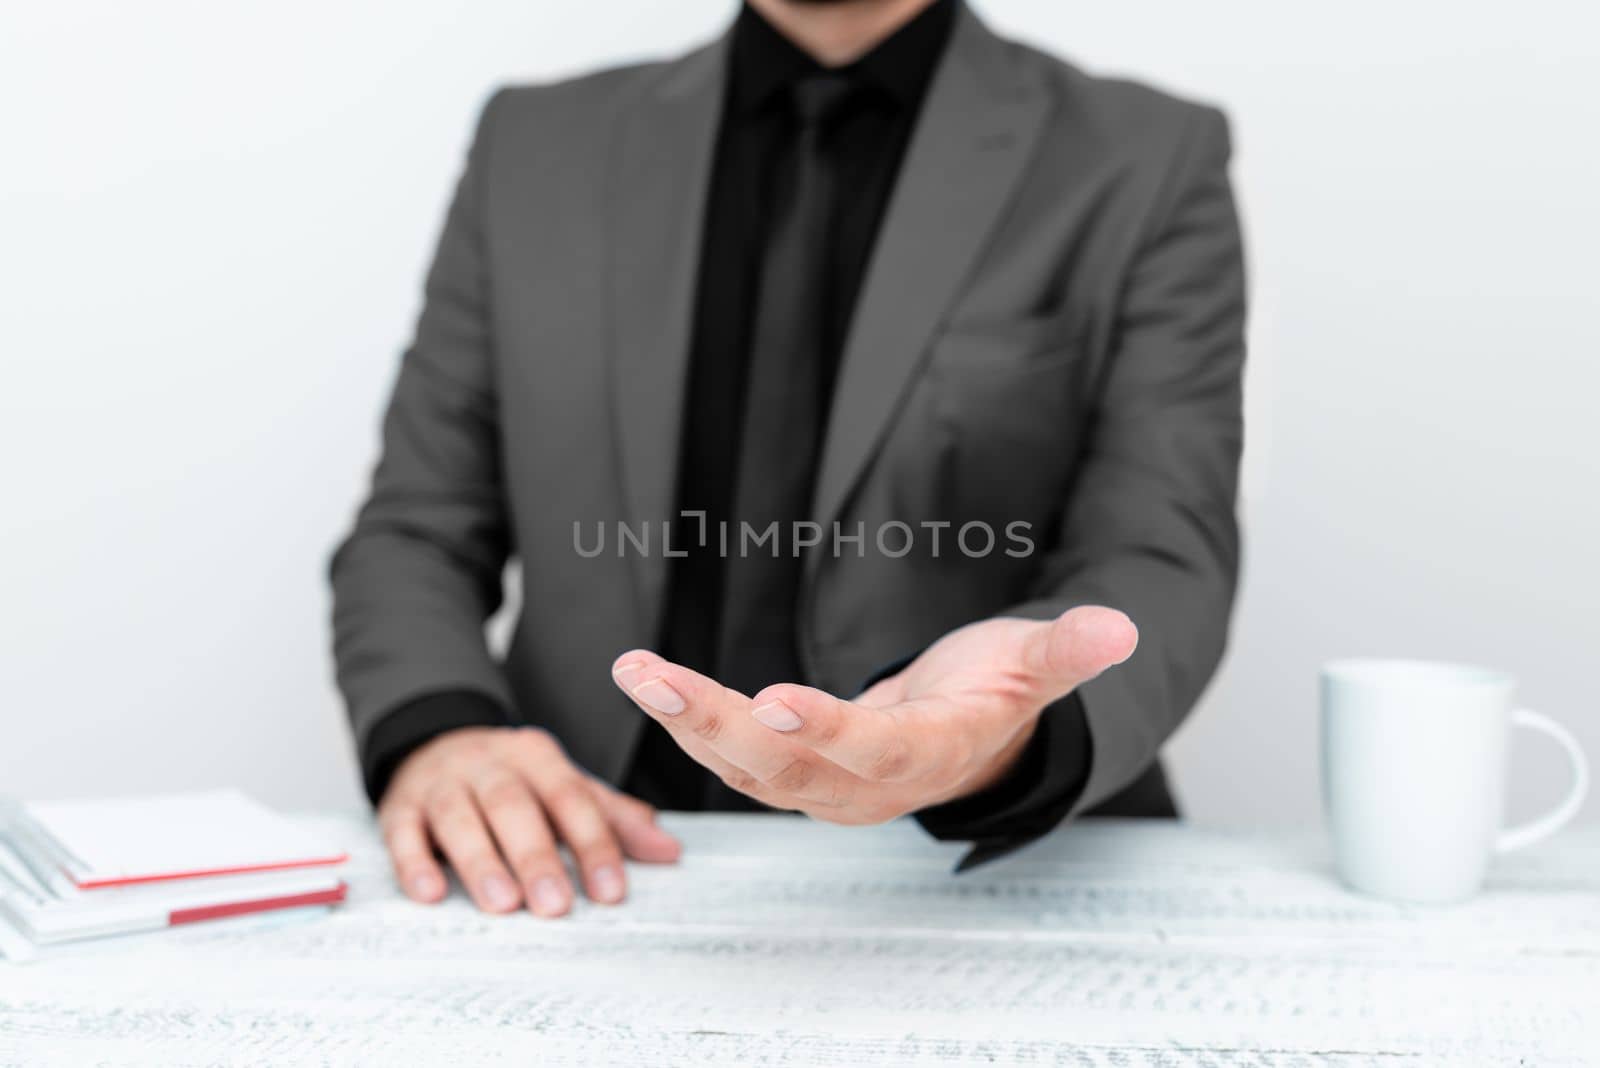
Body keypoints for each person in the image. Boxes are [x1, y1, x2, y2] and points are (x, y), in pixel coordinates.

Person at [330, 0, 1246, 917]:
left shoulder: (1146, 156)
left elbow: (1161, 547)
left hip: (978, 872)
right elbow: (418, 525)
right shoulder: (535, 143)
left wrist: (1000, 734)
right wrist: (441, 729)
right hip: (594, 861)